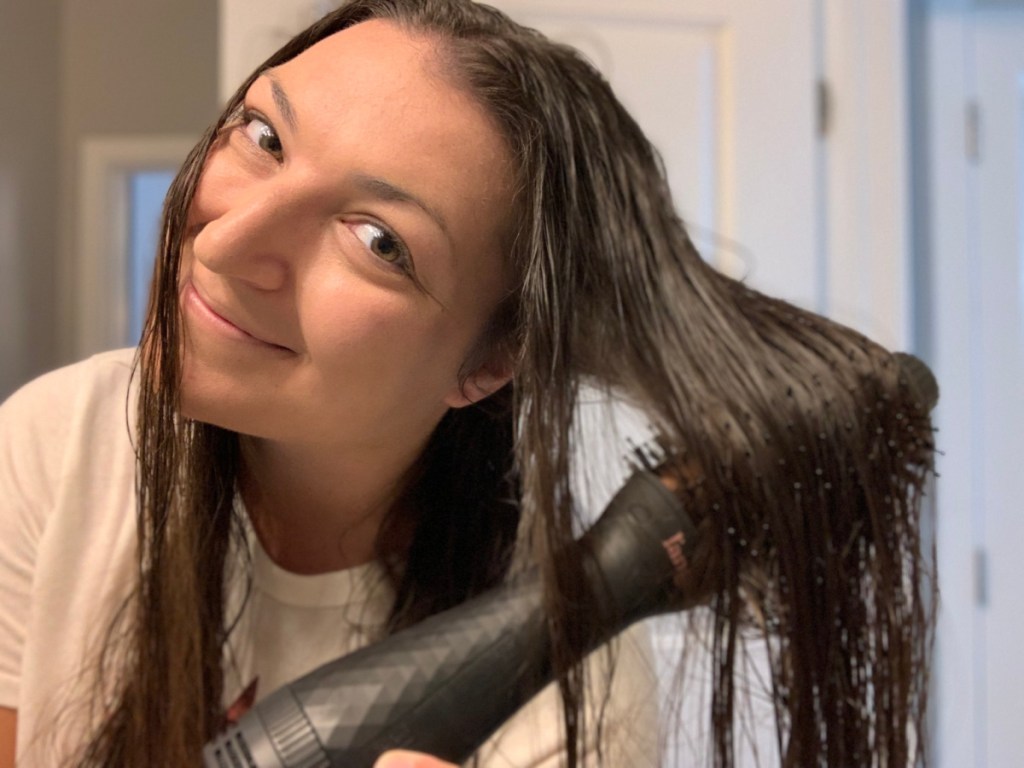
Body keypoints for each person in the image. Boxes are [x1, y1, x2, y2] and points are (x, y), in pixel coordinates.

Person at [0, 1, 936, 766]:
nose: (226, 240)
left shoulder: (575, 711)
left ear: (488, 364)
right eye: (263, 135)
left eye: (379, 241)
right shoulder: (62, 441)